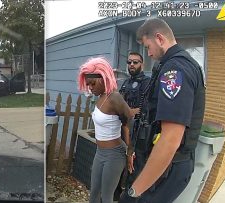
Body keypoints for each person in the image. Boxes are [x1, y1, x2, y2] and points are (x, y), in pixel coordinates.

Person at [119, 18, 206, 203]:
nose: (148, 53)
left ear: (159, 38)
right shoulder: (169, 65)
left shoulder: (175, 69)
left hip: (168, 169)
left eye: (148, 46)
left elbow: (170, 140)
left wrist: (134, 192)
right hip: (161, 165)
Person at [78, 57, 134, 203]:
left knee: (107, 196)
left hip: (114, 154)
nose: (90, 87)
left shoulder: (114, 97)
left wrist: (130, 152)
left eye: (93, 83)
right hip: (100, 152)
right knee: (94, 194)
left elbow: (130, 120)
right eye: (88, 84)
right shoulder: (100, 96)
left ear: (103, 78)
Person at [118, 52, 150, 191]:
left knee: (134, 166)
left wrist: (129, 111)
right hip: (123, 128)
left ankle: (131, 194)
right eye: (129, 62)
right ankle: (117, 192)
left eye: (135, 62)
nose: (131, 64)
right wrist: (129, 111)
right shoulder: (126, 83)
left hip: (138, 131)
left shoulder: (147, 82)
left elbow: (146, 108)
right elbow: (118, 105)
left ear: (142, 64)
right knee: (120, 161)